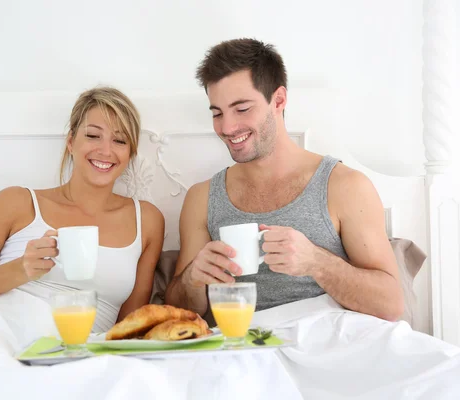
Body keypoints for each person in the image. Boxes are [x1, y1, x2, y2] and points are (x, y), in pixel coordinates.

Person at [164, 38, 404, 322]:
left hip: (323, 348)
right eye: (217, 113)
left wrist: (317, 262)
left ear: (278, 100)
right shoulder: (202, 198)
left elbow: (391, 304)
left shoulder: (344, 187)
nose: (227, 127)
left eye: (241, 109)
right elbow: (179, 313)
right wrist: (192, 278)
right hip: (236, 354)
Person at [0, 87, 165, 332]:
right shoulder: (16, 203)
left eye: (119, 140)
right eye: (92, 136)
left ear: (130, 153)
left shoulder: (147, 221)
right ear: (71, 142)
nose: (105, 150)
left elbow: (131, 330)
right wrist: (21, 269)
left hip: (78, 359)